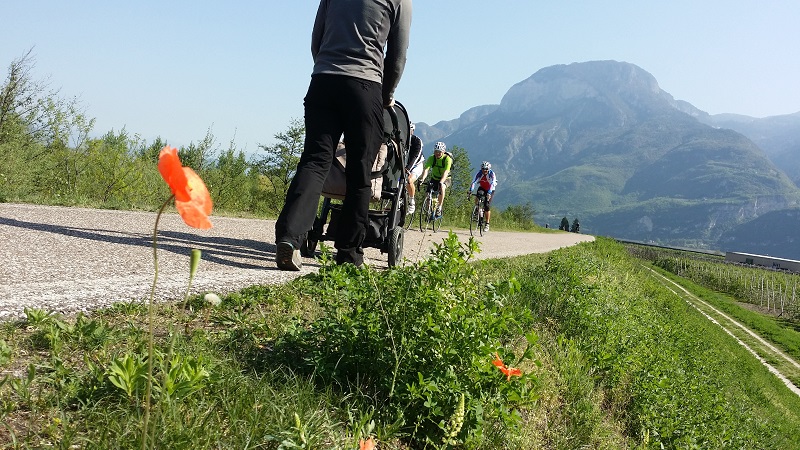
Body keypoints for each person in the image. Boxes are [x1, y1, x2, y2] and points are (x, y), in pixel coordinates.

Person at [274, 0, 412, 271]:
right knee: (361, 173)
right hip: (365, 86)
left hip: (323, 80)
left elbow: (317, 39)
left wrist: (327, 70)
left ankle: (289, 239)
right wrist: (387, 95)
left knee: (314, 162)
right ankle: (349, 254)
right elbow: (398, 56)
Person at [419, 141, 452, 218]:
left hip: (446, 178)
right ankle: (428, 211)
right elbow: (426, 169)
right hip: (434, 178)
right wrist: (422, 179)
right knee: (428, 193)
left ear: (443, 152)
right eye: (436, 151)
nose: (437, 153)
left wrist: (441, 182)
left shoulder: (447, 159)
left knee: (442, 187)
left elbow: (446, 172)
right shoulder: (431, 158)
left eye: (439, 152)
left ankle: (439, 207)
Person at [467, 161, 498, 232]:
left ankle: (487, 224)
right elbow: (474, 182)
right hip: (482, 188)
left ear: (489, 169)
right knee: (478, 196)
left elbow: (492, 184)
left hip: (490, 189)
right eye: (483, 169)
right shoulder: (479, 173)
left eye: (486, 169)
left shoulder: (492, 174)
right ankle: (478, 210)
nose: (484, 170)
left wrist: (489, 193)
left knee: (487, 205)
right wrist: (470, 190)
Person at [404, 122, 423, 214]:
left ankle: (411, 201)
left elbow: (416, 156)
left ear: (413, 131)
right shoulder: (400, 139)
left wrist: (408, 168)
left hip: (416, 165)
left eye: (410, 130)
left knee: (409, 180)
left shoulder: (417, 141)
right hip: (404, 165)